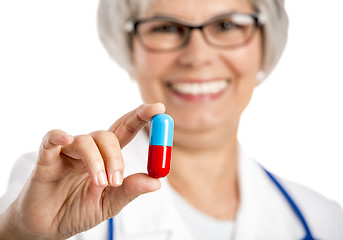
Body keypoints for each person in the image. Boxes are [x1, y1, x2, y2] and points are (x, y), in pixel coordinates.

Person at [0, 0, 342, 239]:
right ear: (128, 46)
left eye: (226, 25)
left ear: (266, 42)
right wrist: (21, 234)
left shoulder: (325, 220)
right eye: (165, 27)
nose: (197, 56)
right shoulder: (55, 187)